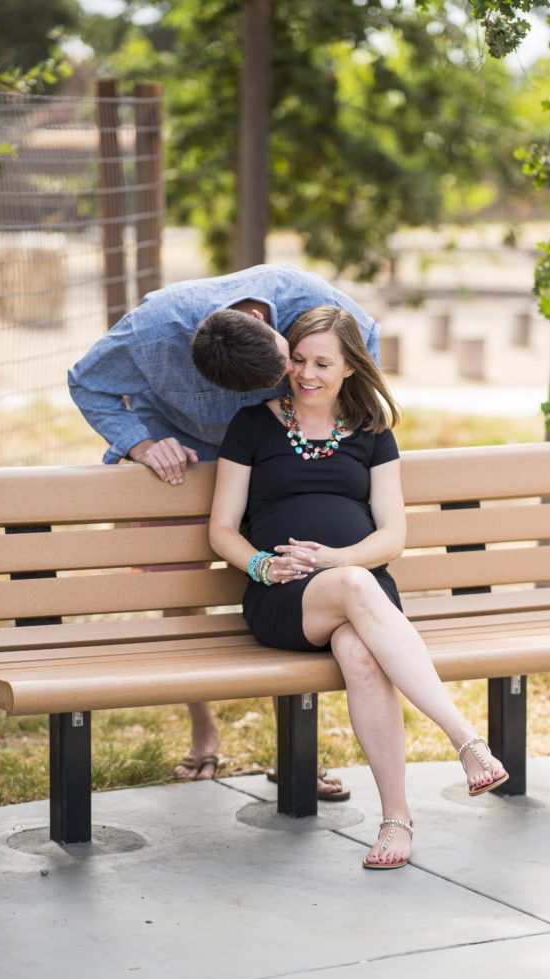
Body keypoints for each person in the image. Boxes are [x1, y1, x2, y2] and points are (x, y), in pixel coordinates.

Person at [209, 305, 508, 871]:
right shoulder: (253, 424)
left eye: (323, 363)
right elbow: (222, 528)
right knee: (351, 586)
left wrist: (340, 559)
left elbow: (393, 535)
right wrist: (259, 567)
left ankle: (396, 820)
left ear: (350, 367)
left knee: (362, 656)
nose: (306, 373)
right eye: (297, 359)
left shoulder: (372, 430)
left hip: (366, 597)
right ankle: (466, 739)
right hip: (284, 598)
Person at [68, 264, 378, 795]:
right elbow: (87, 380)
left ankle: (295, 746)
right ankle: (204, 734)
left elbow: (361, 349)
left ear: (265, 320)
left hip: (280, 445)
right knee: (183, 589)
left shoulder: (309, 297)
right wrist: (141, 444)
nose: (292, 374)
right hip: (182, 455)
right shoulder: (151, 329)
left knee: (295, 578)